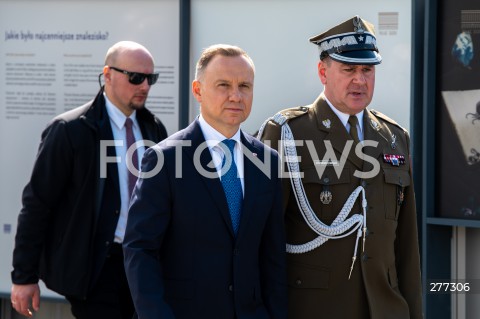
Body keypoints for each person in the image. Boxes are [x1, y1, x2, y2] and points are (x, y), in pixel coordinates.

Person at [258, 16, 423, 319]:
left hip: (385, 309)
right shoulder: (289, 132)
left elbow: (407, 247)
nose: (360, 80)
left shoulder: (395, 138)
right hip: (314, 309)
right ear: (323, 72)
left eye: (367, 70)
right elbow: (263, 240)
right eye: (349, 69)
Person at [123, 44, 287, 319]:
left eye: (244, 86)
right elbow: (140, 249)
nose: (236, 96)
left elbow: (272, 256)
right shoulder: (164, 160)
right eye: (223, 85)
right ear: (198, 90)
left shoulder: (266, 160)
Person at [10, 41, 168, 319]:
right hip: (96, 269)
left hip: (142, 263)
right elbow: (37, 205)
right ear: (107, 74)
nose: (144, 86)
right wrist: (24, 276)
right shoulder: (70, 130)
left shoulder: (153, 128)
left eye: (150, 78)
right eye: (135, 77)